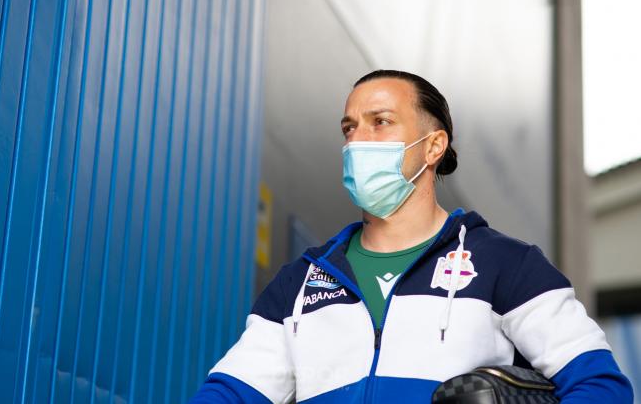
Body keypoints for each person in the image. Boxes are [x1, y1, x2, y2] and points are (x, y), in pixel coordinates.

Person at [190, 70, 633, 403]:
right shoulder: (300, 284)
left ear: (433, 146)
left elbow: (601, 385)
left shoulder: (507, 265)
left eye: (380, 122)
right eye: (349, 127)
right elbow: (230, 394)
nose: (357, 140)